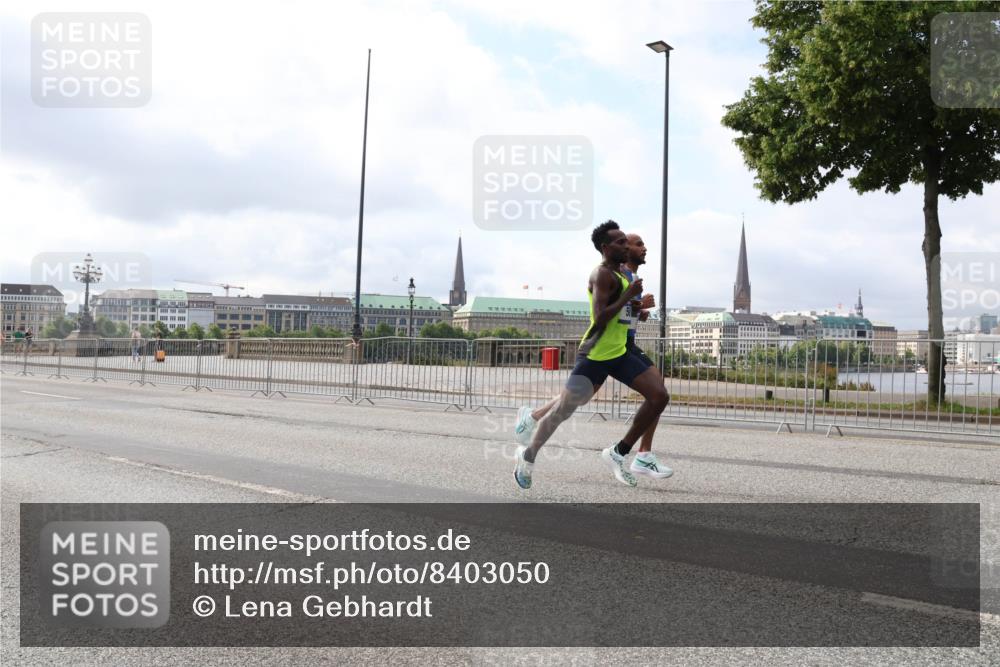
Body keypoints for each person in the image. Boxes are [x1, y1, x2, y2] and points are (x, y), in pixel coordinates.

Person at [513, 221, 670, 489]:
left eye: (625, 241)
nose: (625, 246)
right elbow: (599, 317)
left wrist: (637, 307)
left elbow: (622, 314)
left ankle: (619, 452)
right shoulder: (601, 275)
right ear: (605, 248)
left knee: (659, 396)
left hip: (619, 353)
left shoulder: (621, 275)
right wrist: (629, 297)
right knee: (562, 411)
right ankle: (527, 456)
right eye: (620, 242)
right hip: (596, 355)